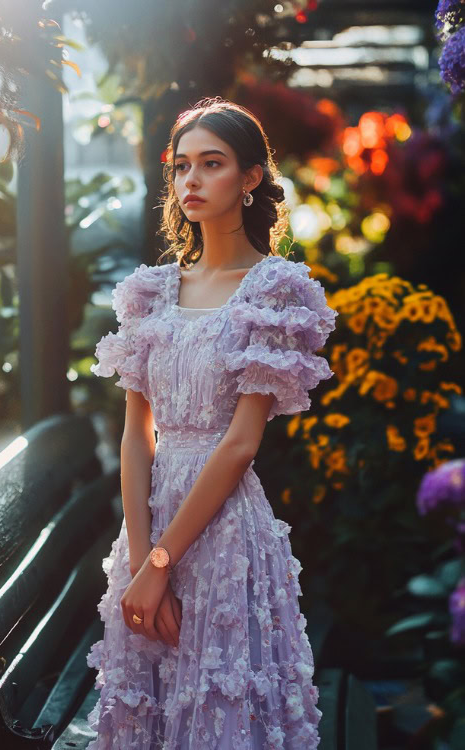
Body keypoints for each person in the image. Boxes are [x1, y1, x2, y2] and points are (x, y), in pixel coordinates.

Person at [86, 96, 338, 749]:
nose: (191, 180)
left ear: (251, 177)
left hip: (224, 538)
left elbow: (240, 444)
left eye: (213, 164)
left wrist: (165, 561)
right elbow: (135, 438)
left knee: (219, 716)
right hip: (147, 533)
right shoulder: (151, 292)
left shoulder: (274, 290)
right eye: (182, 167)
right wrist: (143, 562)